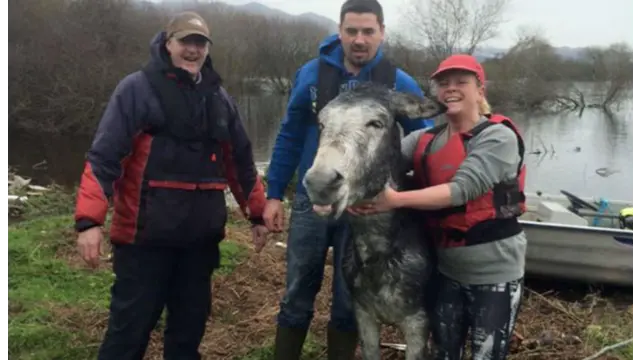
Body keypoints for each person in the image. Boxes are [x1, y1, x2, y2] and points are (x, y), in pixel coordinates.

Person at [73, 11, 269, 360]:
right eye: (185, 42)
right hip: (144, 241)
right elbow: (104, 158)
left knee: (187, 336)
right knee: (128, 334)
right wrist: (89, 222)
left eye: (200, 43)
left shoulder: (220, 99)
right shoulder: (136, 89)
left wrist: (256, 214)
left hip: (199, 244)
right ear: (168, 44)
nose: (193, 50)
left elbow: (240, 163)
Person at [261, 0, 436, 359]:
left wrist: (425, 197)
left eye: (368, 31)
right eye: (352, 31)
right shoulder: (311, 75)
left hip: (370, 210)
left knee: (349, 302)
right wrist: (275, 193)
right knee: (297, 291)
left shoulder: (396, 82)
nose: (359, 39)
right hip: (315, 200)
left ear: (382, 33)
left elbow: (427, 143)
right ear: (339, 32)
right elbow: (290, 136)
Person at [349, 54, 528, 360]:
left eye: (462, 82)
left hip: (494, 272)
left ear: (480, 90)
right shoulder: (423, 140)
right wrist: (349, 189)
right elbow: (381, 165)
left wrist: (394, 200)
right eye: (443, 83)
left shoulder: (499, 137)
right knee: (444, 353)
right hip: (445, 270)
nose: (451, 89)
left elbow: (461, 190)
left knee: (486, 356)